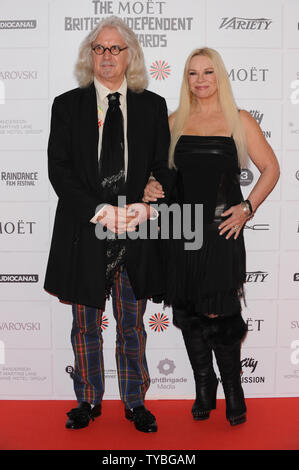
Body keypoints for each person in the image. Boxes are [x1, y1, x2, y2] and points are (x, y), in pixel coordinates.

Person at [44, 16, 171, 433]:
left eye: (116, 49)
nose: (107, 56)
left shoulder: (152, 106)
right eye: (100, 48)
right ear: (90, 55)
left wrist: (155, 188)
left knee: (132, 325)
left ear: (129, 55)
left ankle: (135, 401)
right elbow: (59, 171)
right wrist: (100, 210)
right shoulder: (66, 105)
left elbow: (165, 167)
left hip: (136, 234)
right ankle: (87, 400)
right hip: (86, 231)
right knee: (85, 325)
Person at [143, 47, 280, 426]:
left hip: (222, 232)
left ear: (219, 76)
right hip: (181, 230)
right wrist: (152, 183)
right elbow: (158, 175)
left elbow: (271, 168)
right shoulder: (173, 123)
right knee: (187, 312)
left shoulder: (239, 120)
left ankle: (233, 389)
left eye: (208, 72)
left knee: (220, 312)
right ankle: (205, 385)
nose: (200, 80)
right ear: (185, 79)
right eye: (192, 73)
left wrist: (248, 208)